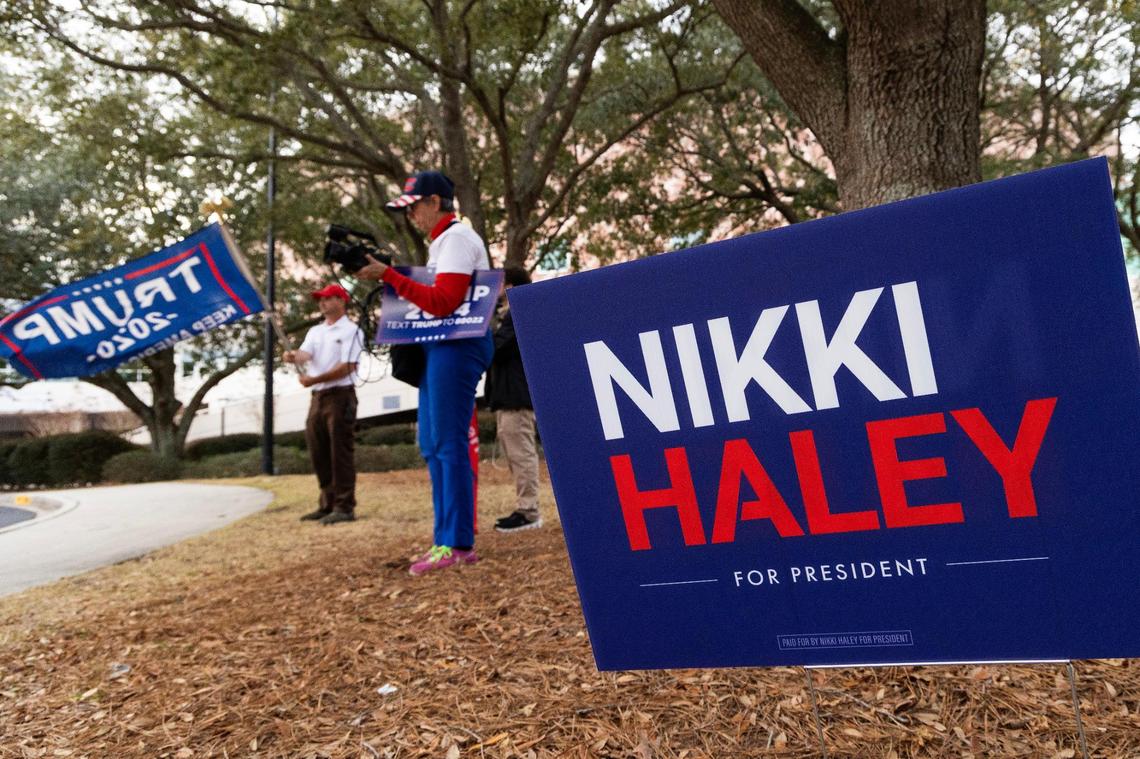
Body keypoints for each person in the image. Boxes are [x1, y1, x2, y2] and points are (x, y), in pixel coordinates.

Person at [356, 170, 493, 575]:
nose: (411, 215)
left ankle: (457, 543)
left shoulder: (456, 239)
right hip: (442, 346)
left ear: (435, 202)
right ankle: (445, 540)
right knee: (433, 443)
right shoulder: (443, 243)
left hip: (457, 344)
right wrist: (391, 275)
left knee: (447, 443)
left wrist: (390, 276)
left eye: (414, 206)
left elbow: (444, 301)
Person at [283, 284, 363, 525]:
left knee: (340, 451)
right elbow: (306, 354)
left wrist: (314, 379)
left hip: (340, 395)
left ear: (341, 300)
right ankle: (327, 503)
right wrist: (293, 356)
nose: (323, 303)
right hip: (318, 397)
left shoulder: (352, 331)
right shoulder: (316, 332)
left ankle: (344, 505)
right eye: (321, 299)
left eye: (328, 299)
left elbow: (348, 366)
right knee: (318, 450)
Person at [486, 267, 542, 533]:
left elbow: (496, 348)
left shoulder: (517, 315)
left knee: (521, 455)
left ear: (508, 286)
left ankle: (529, 511)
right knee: (516, 455)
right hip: (508, 397)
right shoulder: (509, 316)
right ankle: (525, 507)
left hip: (516, 397)